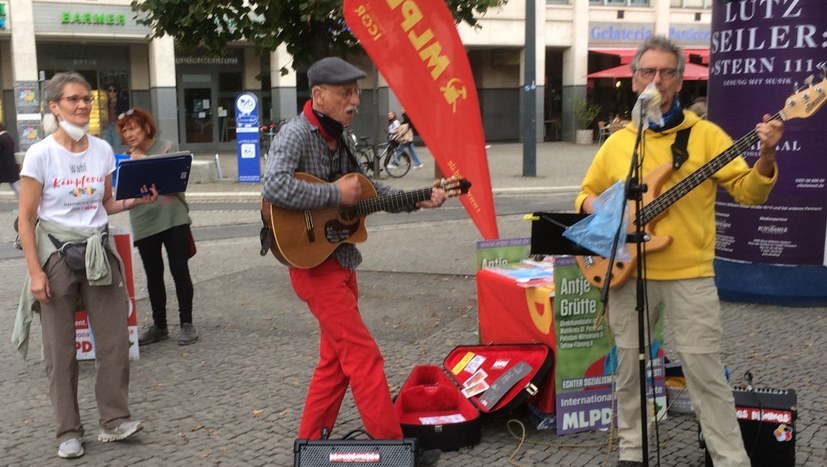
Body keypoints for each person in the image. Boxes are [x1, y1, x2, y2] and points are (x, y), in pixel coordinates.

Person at [575, 36, 784, 467]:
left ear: (680, 80)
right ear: (635, 81)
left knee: (705, 375)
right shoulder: (620, 143)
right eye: (648, 72)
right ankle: (632, 453)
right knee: (629, 373)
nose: (657, 80)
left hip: (689, 273)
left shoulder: (706, 137)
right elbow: (586, 193)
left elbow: (749, 192)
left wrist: (766, 153)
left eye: (666, 72)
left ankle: (731, 460)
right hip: (626, 272)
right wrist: (600, 208)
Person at [261, 57, 446, 444]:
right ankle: (391, 446)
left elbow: (369, 192)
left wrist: (418, 199)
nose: (355, 100)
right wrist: (332, 193)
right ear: (319, 95)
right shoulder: (295, 135)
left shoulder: (341, 138)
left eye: (357, 92)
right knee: (363, 356)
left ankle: (309, 443)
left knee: (335, 362)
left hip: (341, 260)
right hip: (313, 266)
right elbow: (274, 187)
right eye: (346, 92)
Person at [14, 71, 157, 459]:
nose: (82, 106)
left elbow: (106, 204)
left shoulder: (102, 150)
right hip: (56, 256)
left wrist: (135, 201)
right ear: (54, 106)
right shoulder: (40, 154)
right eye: (73, 100)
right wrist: (34, 271)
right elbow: (26, 219)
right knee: (60, 352)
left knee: (113, 342)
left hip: (98, 252)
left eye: (86, 100)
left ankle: (113, 420)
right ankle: (67, 431)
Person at [116, 108, 197, 346]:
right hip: (144, 221)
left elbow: (179, 180)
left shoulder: (167, 147)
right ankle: (159, 326)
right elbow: (120, 194)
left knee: (179, 270)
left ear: (146, 128)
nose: (129, 135)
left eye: (133, 128)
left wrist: (149, 165)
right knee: (153, 275)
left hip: (173, 217)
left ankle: (187, 323)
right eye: (124, 130)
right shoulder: (124, 158)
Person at [102, 84, 128, 149]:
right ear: (107, 92)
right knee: (107, 145)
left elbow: (125, 113)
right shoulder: (105, 102)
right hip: (107, 125)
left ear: (117, 92)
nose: (112, 93)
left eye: (115, 91)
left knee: (117, 145)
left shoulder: (121, 101)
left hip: (117, 125)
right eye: (110, 90)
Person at [0, 122, 21, 199]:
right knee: (16, 187)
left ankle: (23, 203)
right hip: (11, 166)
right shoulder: (8, 137)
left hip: (3, 168)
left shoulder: (1, 139)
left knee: (16, 187)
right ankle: (23, 203)